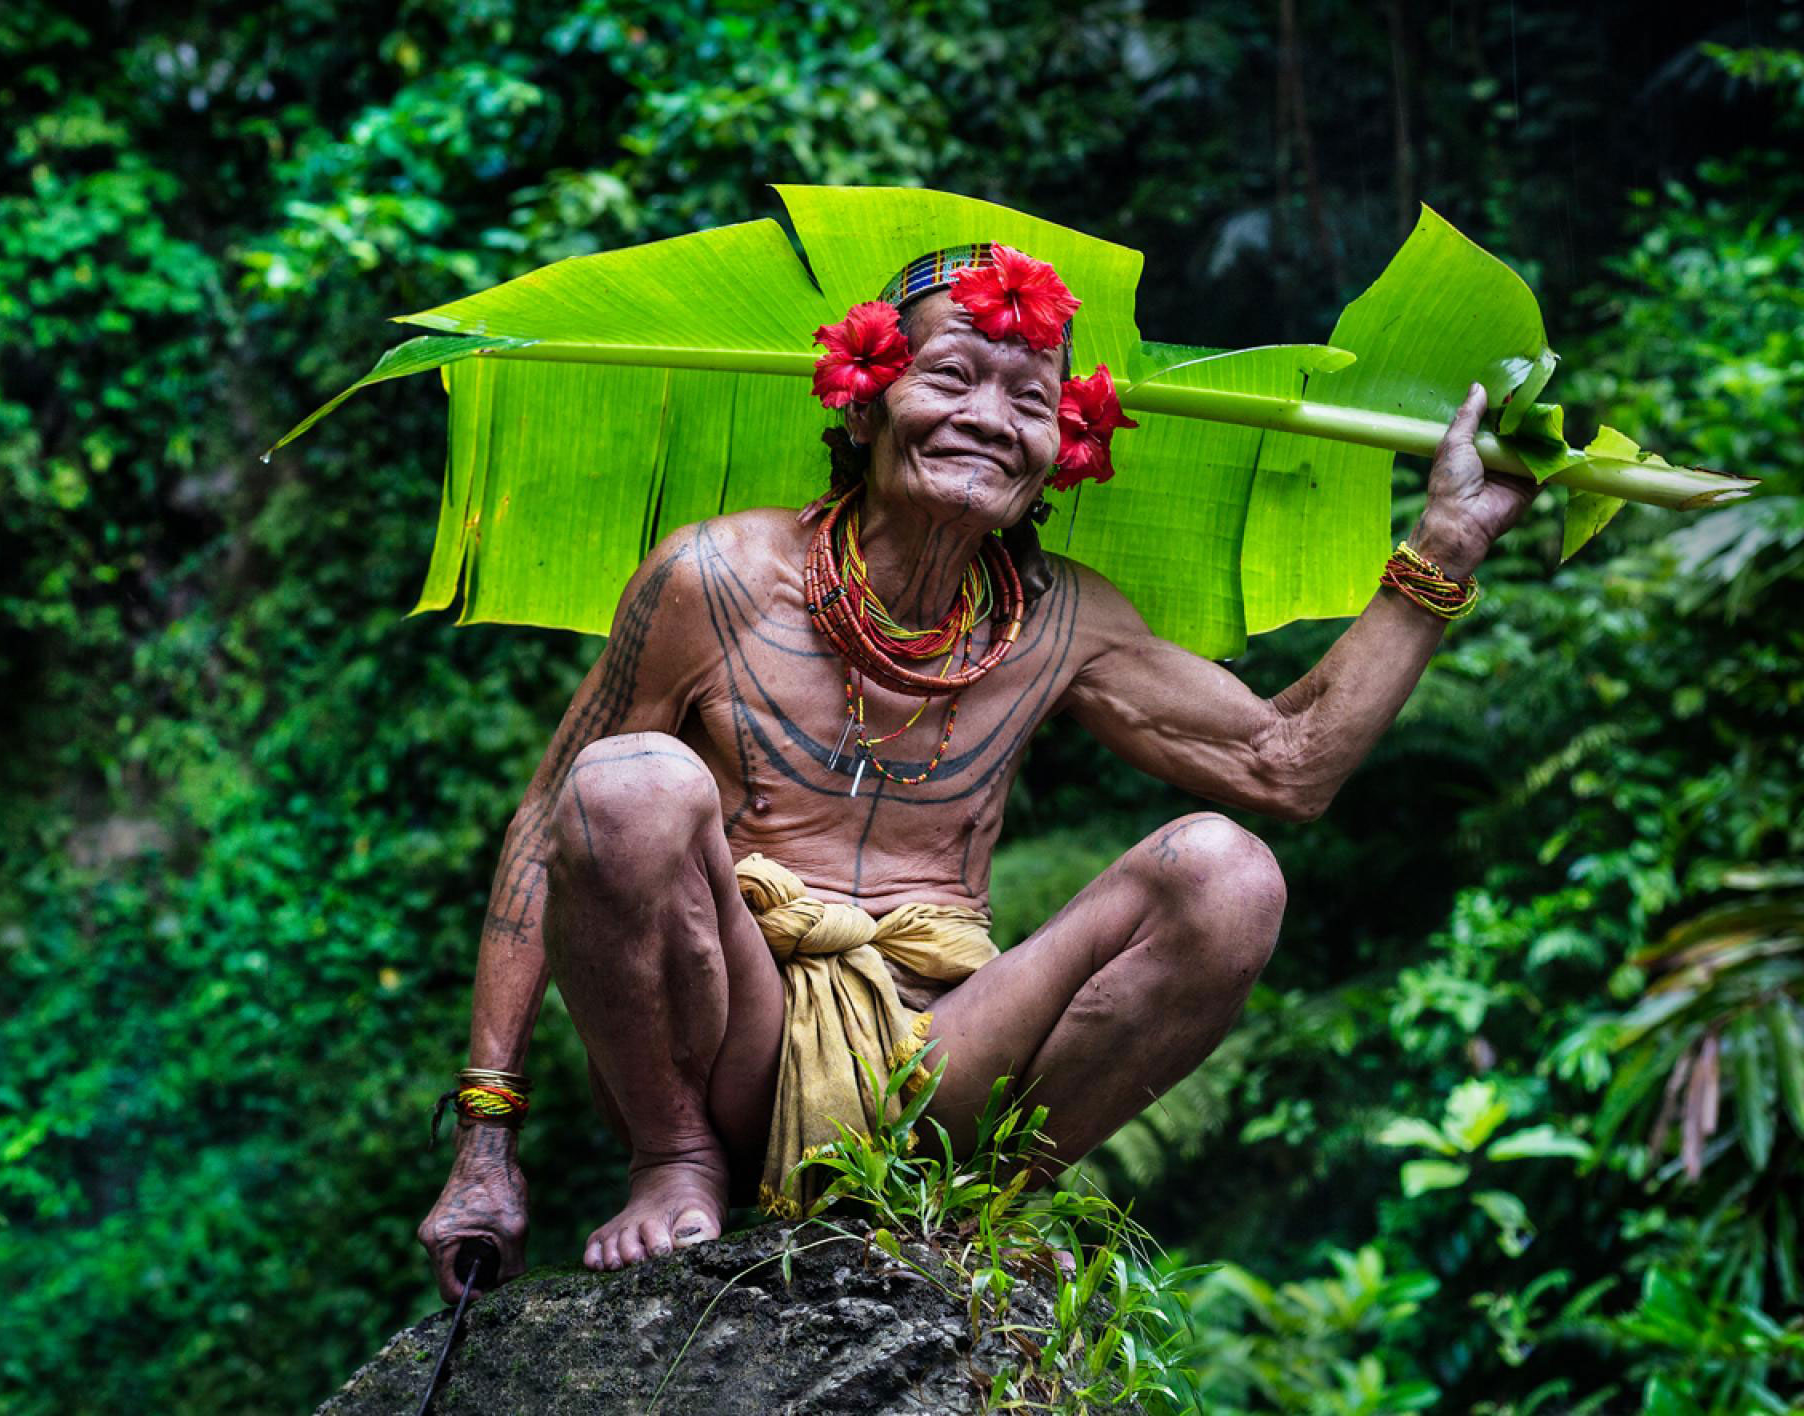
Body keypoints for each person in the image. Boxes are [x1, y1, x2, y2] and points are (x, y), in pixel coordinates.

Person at [416, 242, 1538, 1301]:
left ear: (1069, 443)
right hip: (728, 1048)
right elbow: (542, 831)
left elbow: (1285, 764)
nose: (988, 421)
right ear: (864, 400)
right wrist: (485, 1137)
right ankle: (672, 1164)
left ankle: (982, 1208)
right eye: (950, 376)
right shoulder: (713, 577)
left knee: (1230, 873)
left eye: (1029, 400)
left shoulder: (1062, 621)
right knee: (628, 786)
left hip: (945, 1058)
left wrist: (1442, 549)